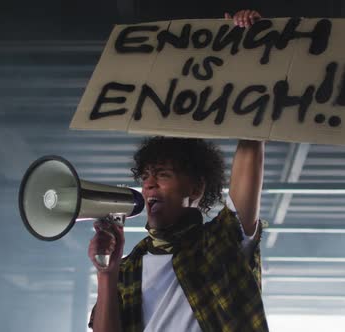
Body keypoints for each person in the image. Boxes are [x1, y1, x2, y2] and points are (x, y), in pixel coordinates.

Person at [87, 10, 269, 332]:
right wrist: (107, 273)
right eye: (145, 177)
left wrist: (252, 51)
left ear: (196, 188)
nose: (149, 186)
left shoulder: (220, 243)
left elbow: (251, 144)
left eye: (162, 175)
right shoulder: (128, 268)